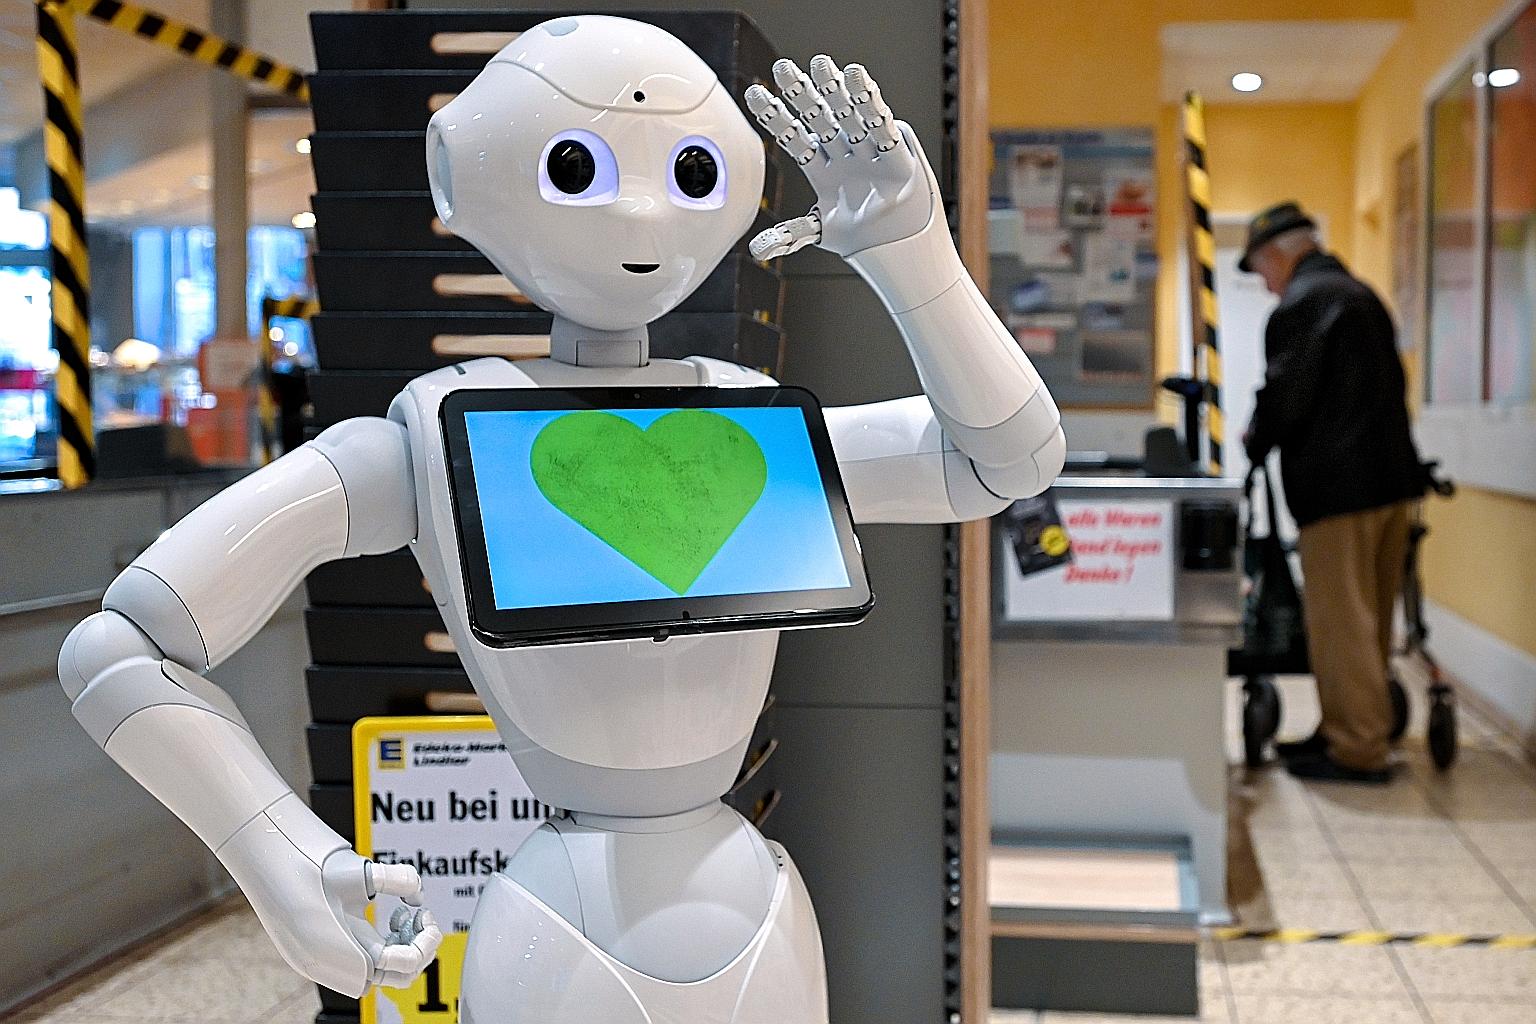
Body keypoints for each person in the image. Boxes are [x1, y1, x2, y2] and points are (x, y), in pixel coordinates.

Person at [1240, 201, 1424, 785]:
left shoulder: (1302, 305)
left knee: (1340, 623)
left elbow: (1287, 394)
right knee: (1370, 620)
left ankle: (1357, 748)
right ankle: (1348, 726)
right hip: (1392, 485)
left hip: (1338, 493)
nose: (1265, 286)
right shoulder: (1361, 296)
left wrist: (1255, 437)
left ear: (1280, 254)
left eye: (1261, 270)